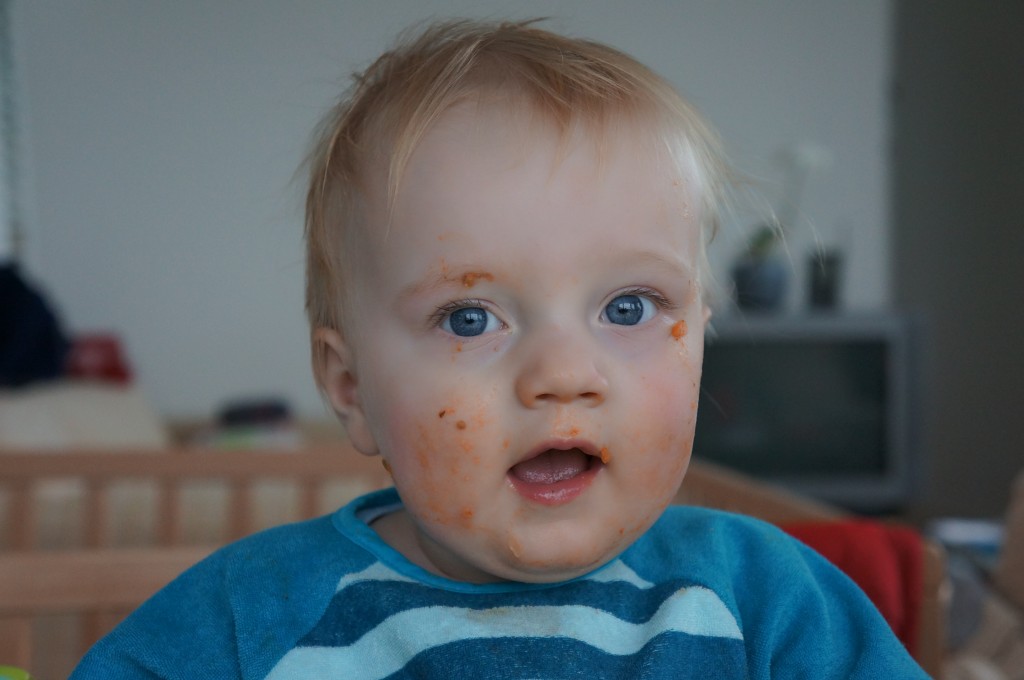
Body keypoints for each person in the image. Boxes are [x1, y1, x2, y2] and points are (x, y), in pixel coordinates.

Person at [73, 19, 928, 678]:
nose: (563, 375)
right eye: (469, 319)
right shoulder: (251, 617)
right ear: (350, 387)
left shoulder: (768, 602)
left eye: (629, 307)